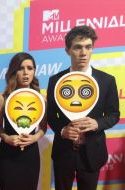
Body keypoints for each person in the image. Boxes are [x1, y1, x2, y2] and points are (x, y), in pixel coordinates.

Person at [47, 25, 120, 190]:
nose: (83, 53)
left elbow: (113, 114)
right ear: (67, 50)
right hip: (63, 152)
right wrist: (62, 130)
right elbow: (51, 115)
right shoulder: (56, 80)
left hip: (92, 153)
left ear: (92, 49)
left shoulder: (107, 80)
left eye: (88, 47)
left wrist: (97, 123)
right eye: (78, 47)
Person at [0, 52, 47, 190]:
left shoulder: (41, 99)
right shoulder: (3, 98)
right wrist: (6, 138)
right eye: (20, 68)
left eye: (30, 68)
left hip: (30, 155)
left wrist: (34, 137)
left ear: (34, 71)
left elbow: (43, 127)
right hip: (8, 155)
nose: (25, 73)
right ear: (14, 72)